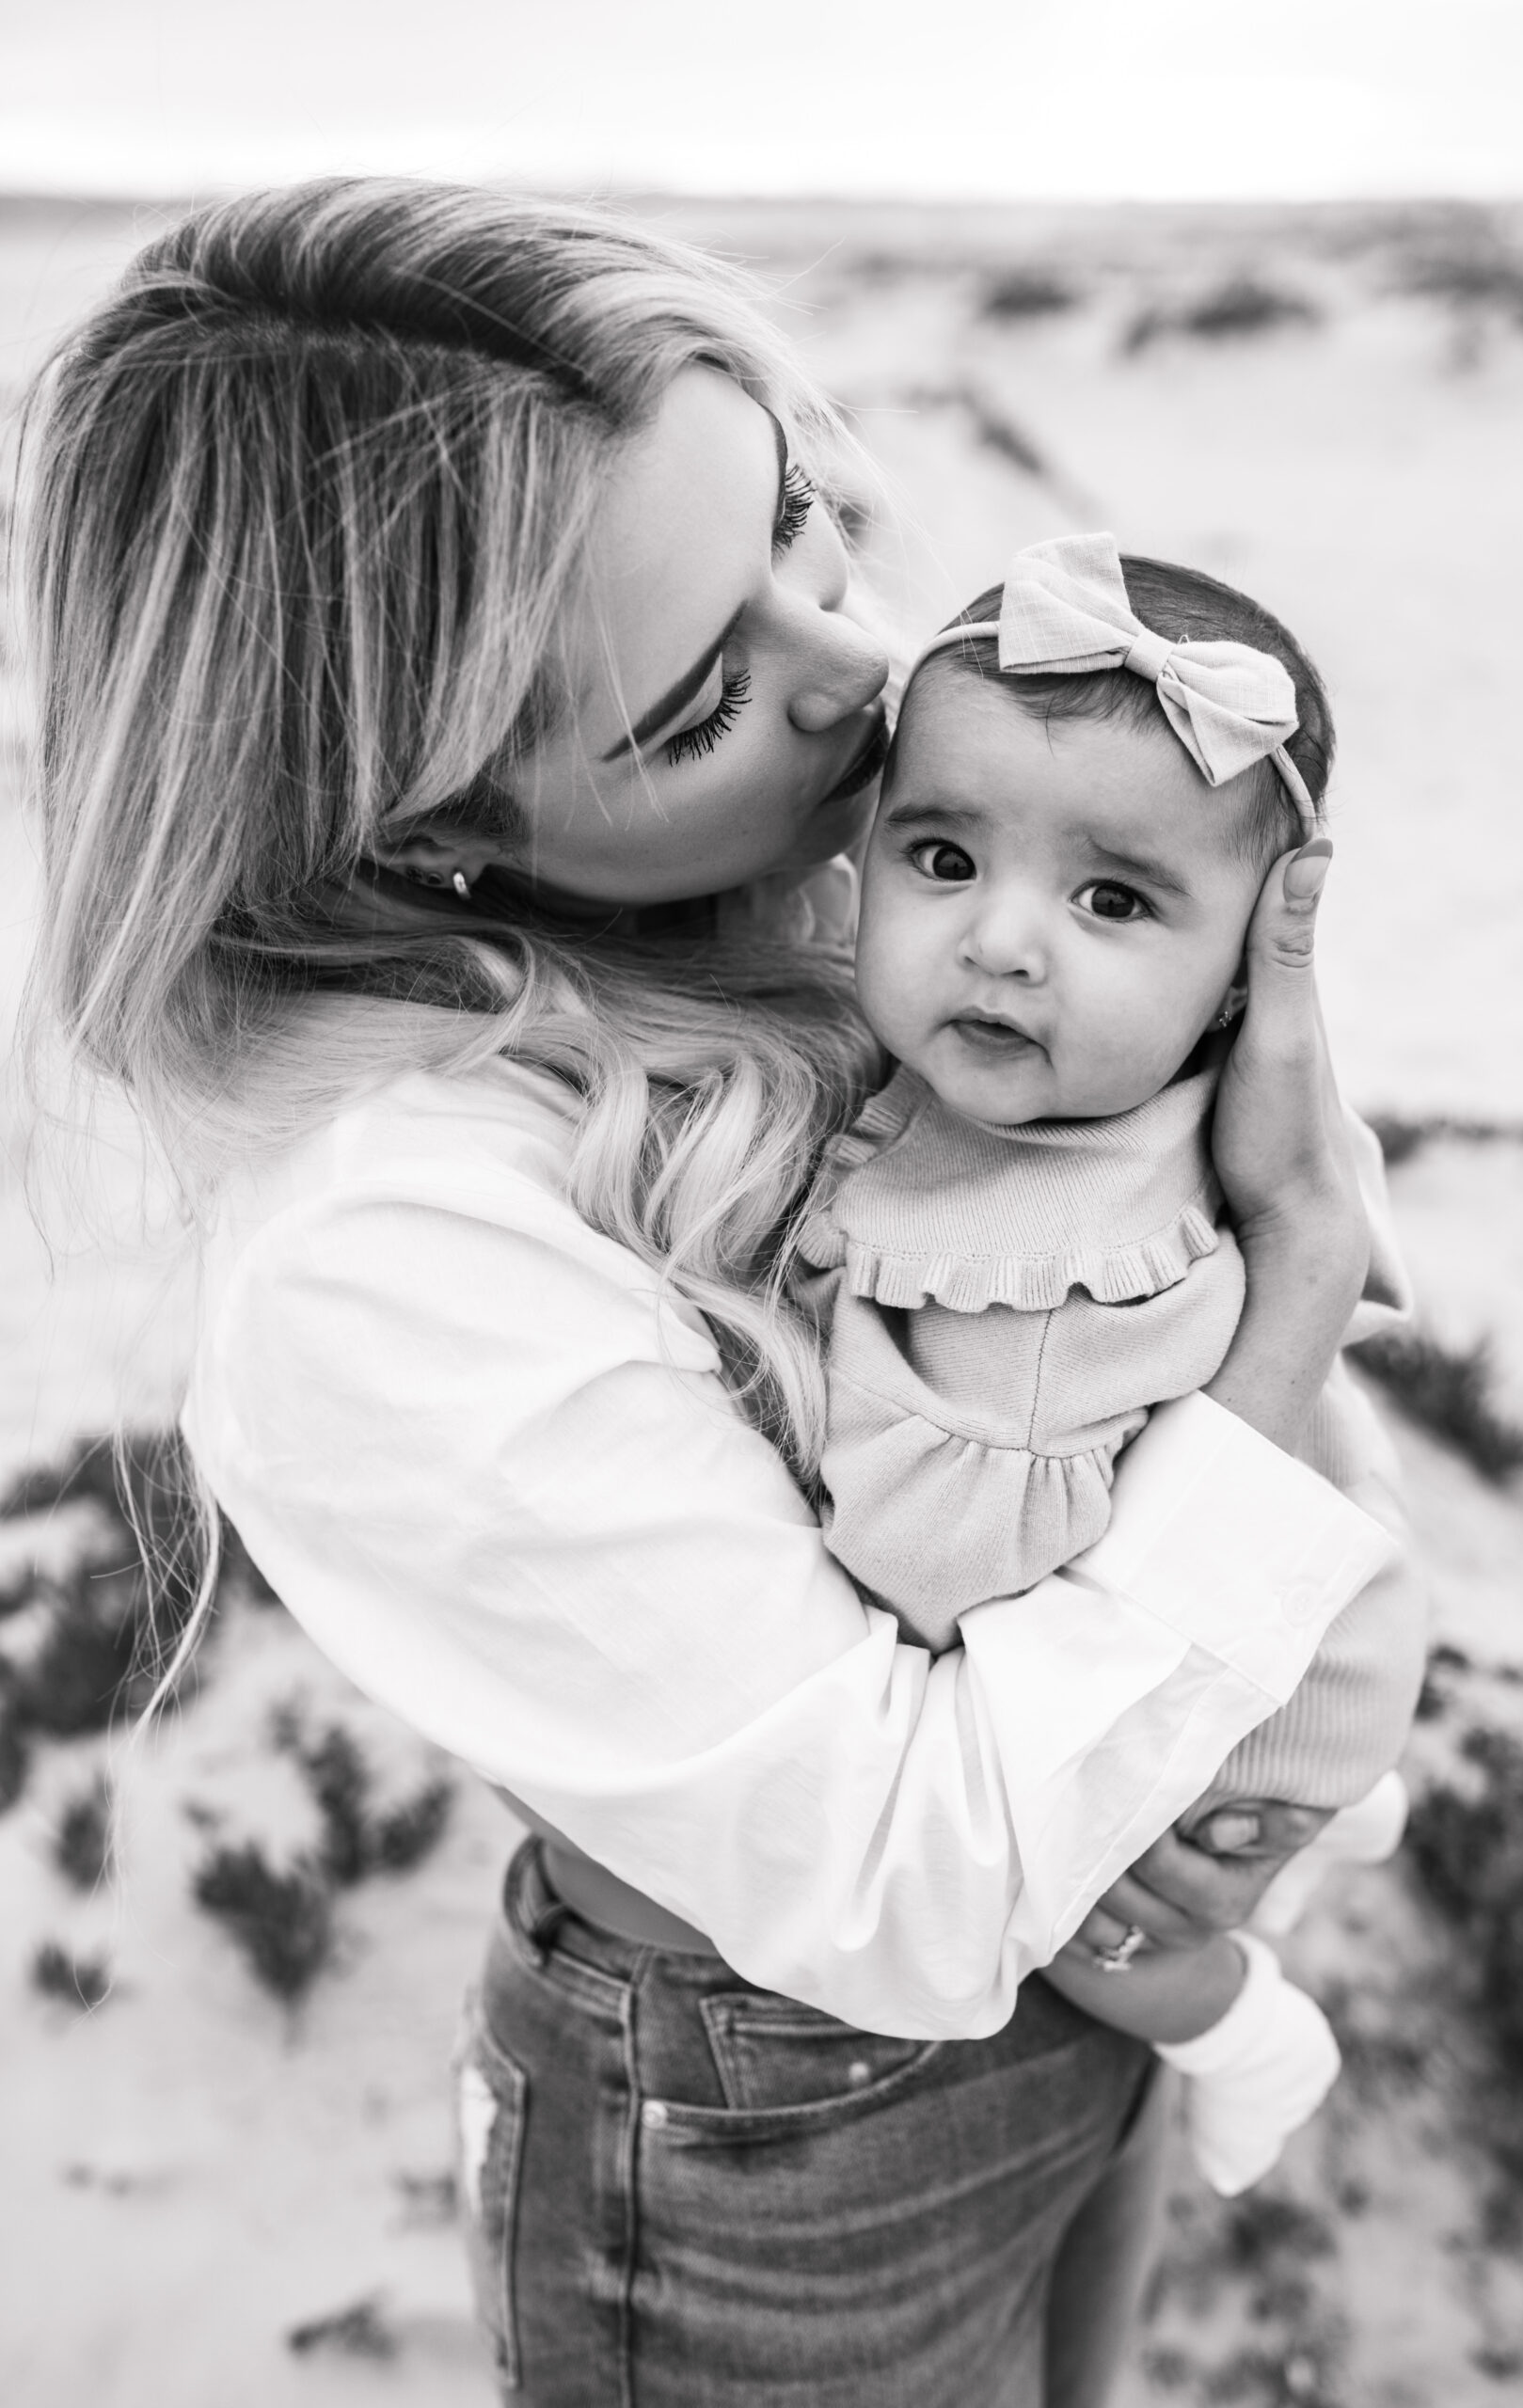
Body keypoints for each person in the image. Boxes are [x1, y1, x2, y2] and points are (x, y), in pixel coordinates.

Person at [21, 181, 1398, 2407]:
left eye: (803, 524)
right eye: (693, 702)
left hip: (1079, 2033)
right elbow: (917, 1873)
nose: (861, 676)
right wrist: (1301, 1285)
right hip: (782, 2153)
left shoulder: (796, 902)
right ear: (407, 830)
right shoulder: (389, 1257)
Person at [794, 533, 1426, 2196]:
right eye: (942, 855)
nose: (1002, 944)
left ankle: (1240, 2030)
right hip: (1331, 1613)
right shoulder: (1148, 1105)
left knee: (1070, 1923)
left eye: (1112, 899)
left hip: (1231, 1714)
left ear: (1246, 976)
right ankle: (1359, 1800)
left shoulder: (1035, 1296)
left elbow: (947, 1591)